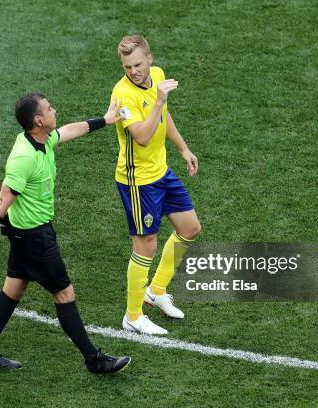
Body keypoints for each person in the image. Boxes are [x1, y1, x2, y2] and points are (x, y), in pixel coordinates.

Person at [0, 93, 130, 373]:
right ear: (39, 120)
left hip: (24, 233)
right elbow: (2, 202)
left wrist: (106, 121)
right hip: (34, 238)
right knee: (64, 293)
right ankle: (94, 359)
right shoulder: (23, 158)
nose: (55, 110)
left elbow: (68, 131)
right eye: (49, 108)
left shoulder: (42, 139)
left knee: (13, 289)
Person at [111, 35, 202, 335]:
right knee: (146, 245)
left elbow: (163, 117)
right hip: (138, 181)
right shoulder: (123, 95)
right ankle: (133, 316)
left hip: (161, 172)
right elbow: (142, 136)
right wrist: (159, 101)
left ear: (150, 59)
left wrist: (183, 148)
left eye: (137, 64)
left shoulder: (158, 76)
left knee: (190, 228)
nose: (133, 71)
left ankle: (157, 290)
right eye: (127, 66)